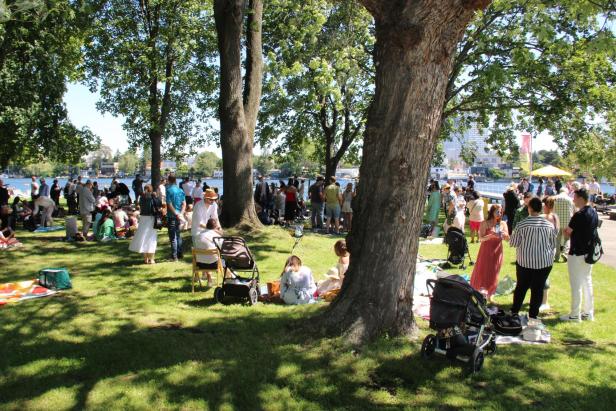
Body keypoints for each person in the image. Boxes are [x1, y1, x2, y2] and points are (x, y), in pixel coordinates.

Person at [509, 197, 557, 322]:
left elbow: (513, 243)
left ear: (529, 208)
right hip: (544, 262)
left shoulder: (522, 224)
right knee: (538, 289)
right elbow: (553, 244)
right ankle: (533, 315)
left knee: (521, 287)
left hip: (525, 261)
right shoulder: (549, 225)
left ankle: (515, 311)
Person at [561, 189, 599, 322]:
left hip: (577, 252)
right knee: (587, 281)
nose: (573, 200)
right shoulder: (594, 213)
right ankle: (588, 312)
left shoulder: (578, 215)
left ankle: (574, 314)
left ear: (581, 198)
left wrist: (566, 231)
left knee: (576, 284)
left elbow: (567, 233)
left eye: (575, 197)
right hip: (589, 252)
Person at [470, 204, 509, 303]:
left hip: (497, 250)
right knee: (484, 270)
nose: (499, 214)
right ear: (492, 212)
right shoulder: (485, 223)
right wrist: (490, 236)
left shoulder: (503, 224)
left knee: (494, 272)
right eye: (497, 211)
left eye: (501, 212)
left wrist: (504, 235)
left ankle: (491, 294)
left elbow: (508, 239)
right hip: (486, 250)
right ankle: (481, 290)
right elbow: (481, 238)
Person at [129, 184, 161, 264]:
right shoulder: (152, 197)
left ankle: (146, 259)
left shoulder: (142, 198)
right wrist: (155, 196)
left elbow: (140, 206)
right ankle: (151, 259)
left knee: (143, 237)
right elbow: (159, 204)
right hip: (150, 219)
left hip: (143, 218)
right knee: (151, 238)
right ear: (151, 189)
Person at [192, 218, 223, 286]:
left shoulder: (198, 236)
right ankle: (229, 278)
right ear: (215, 227)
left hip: (199, 265)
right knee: (222, 260)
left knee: (204, 256)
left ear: (206, 225)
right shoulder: (216, 236)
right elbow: (222, 248)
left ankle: (199, 276)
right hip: (214, 265)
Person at [166, 175, 186, 261]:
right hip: (179, 215)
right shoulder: (180, 190)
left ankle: (174, 256)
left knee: (173, 237)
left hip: (172, 216)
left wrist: (176, 214)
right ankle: (180, 253)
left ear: (169, 180)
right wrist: (181, 213)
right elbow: (184, 203)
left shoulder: (169, 190)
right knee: (178, 235)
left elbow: (169, 204)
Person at [553, 188, 575, 262]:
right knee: (567, 239)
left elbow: (552, 210)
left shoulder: (555, 198)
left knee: (557, 240)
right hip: (567, 222)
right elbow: (573, 210)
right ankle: (565, 253)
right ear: (566, 192)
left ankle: (556, 256)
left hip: (557, 222)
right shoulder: (569, 199)